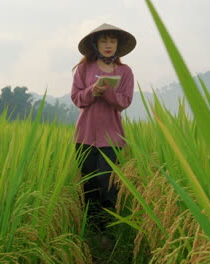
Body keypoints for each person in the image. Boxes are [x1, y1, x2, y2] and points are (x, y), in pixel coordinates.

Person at [71, 23, 136, 235]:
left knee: (107, 182)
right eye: (104, 40)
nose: (109, 45)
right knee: (89, 183)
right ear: (96, 44)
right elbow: (77, 98)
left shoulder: (125, 72)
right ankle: (92, 230)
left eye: (112, 41)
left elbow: (124, 102)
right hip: (85, 135)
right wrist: (93, 90)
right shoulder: (84, 69)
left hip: (112, 137)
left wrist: (107, 91)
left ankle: (108, 229)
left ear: (118, 45)